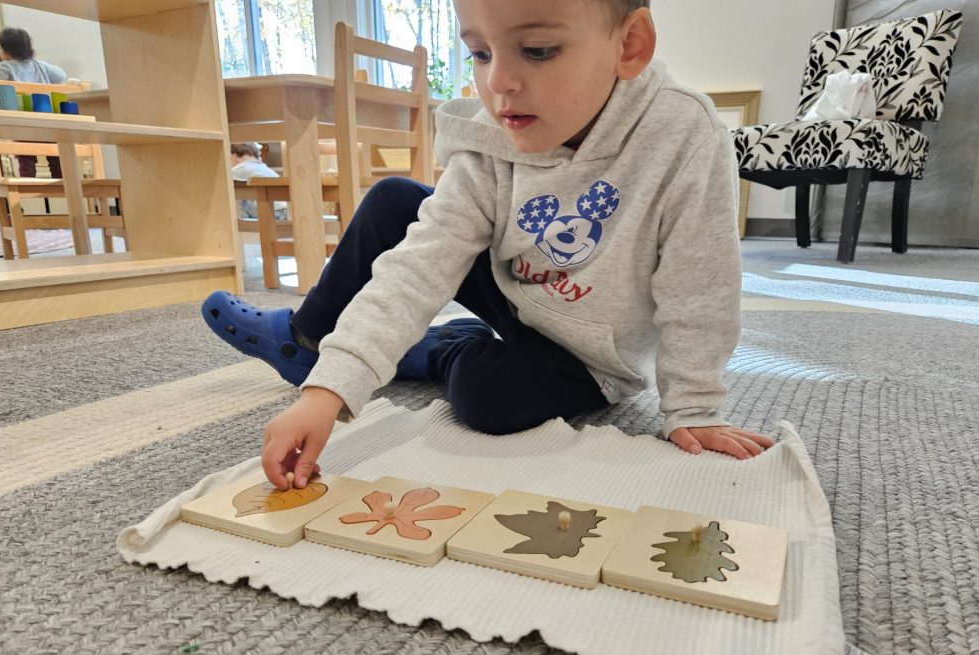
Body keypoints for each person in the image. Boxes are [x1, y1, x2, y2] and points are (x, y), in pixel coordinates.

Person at [202, 0, 774, 491]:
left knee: (488, 399)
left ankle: (434, 348)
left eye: (538, 50)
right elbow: (421, 264)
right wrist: (330, 387)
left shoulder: (684, 133)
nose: (499, 82)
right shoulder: (490, 132)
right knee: (395, 200)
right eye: (479, 53)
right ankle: (308, 339)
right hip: (517, 289)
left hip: (590, 355)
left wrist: (693, 407)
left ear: (629, 45)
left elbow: (700, 287)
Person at [0, 28, 67, 179]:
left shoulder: (5, 67)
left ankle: (28, 184)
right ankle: (61, 183)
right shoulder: (39, 65)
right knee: (55, 157)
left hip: (22, 123)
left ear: (6, 51)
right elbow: (61, 75)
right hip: (46, 121)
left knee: (26, 159)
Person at [229, 142, 288, 220]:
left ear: (233, 157)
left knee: (234, 194)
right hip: (284, 210)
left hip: (272, 212)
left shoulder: (238, 170)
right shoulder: (263, 168)